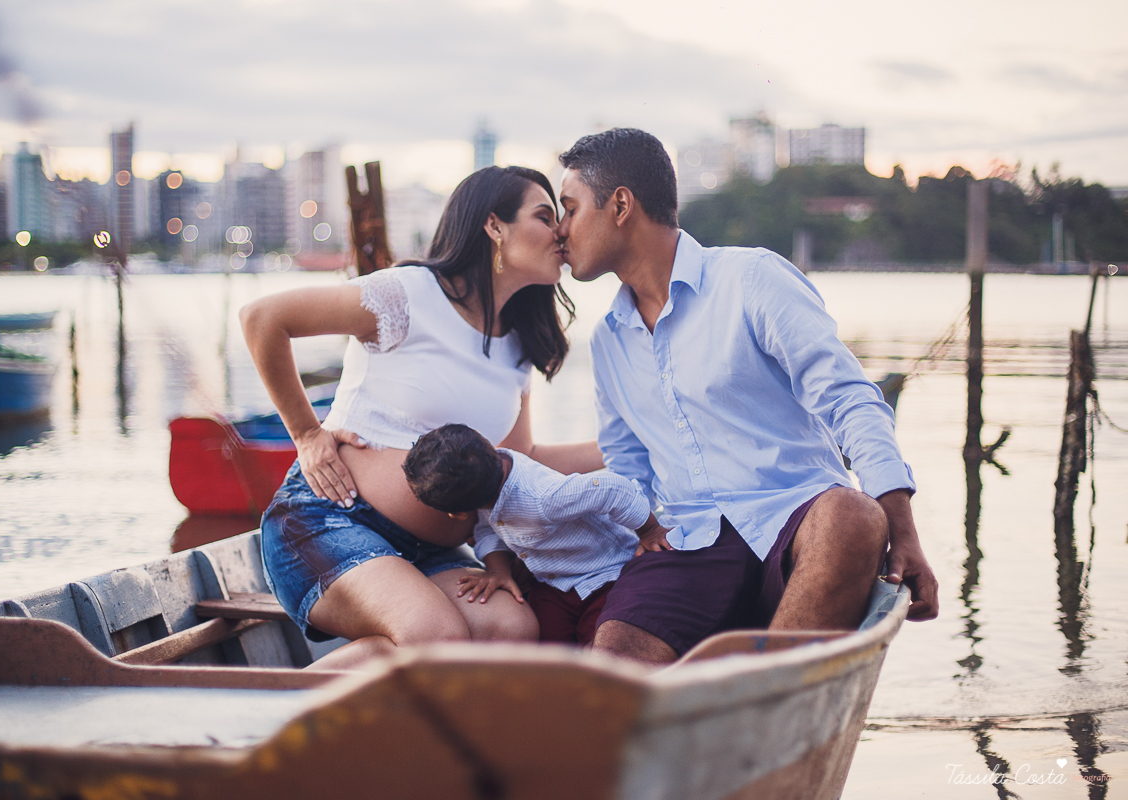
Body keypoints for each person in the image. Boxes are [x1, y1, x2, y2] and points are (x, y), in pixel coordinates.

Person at [554, 128, 940, 666]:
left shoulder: (752, 279)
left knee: (854, 516)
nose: (561, 229)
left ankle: (764, 689)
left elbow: (850, 398)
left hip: (799, 522)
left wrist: (903, 532)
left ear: (620, 205)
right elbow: (629, 470)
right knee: (617, 656)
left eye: (570, 209)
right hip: (688, 544)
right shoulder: (609, 340)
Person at [240, 166, 604, 669]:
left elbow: (520, 459)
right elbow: (263, 319)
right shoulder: (408, 295)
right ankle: (274, 710)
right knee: (436, 632)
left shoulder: (518, 346)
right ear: (494, 226)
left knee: (513, 629)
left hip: (426, 551)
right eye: (545, 216)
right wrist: (306, 433)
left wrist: (628, 447)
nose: (561, 231)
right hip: (328, 519)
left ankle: (327, 697)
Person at [401, 423, 672, 645]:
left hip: (605, 576)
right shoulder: (489, 475)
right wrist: (498, 571)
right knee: (546, 645)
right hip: (553, 583)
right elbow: (486, 528)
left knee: (603, 642)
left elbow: (614, 489)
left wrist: (649, 530)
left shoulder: (544, 499)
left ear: (457, 514)